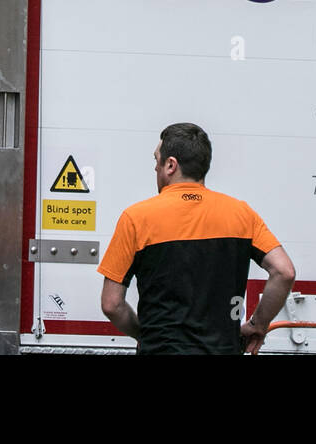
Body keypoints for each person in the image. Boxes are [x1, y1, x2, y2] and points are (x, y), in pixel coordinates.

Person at [98, 122, 296, 354]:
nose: (155, 168)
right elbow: (284, 272)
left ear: (171, 165)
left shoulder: (136, 218)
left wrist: (147, 335)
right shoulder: (242, 214)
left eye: (156, 160)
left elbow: (111, 304)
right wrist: (258, 324)